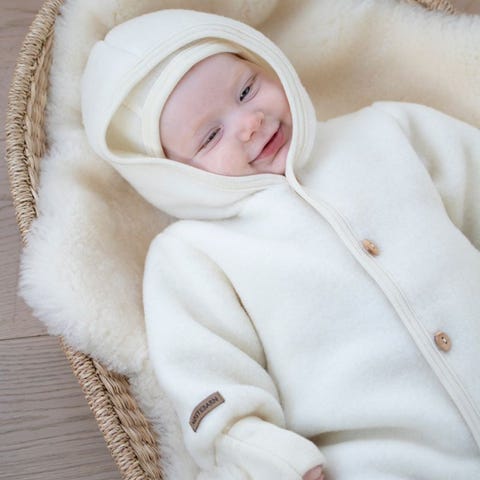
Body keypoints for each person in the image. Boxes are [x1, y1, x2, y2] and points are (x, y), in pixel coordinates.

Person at [81, 8, 480, 480]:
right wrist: (276, 459)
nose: (249, 123)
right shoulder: (193, 253)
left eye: (246, 90)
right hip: (381, 461)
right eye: (210, 136)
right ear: (169, 174)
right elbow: (210, 384)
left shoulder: (387, 131)